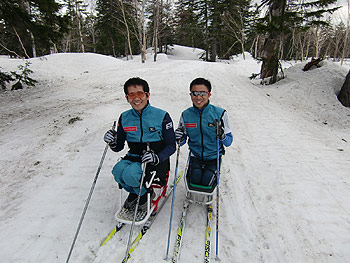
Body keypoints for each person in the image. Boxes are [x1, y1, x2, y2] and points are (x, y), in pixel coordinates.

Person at [104, 77, 176, 221]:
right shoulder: (124, 117)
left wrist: (157, 157)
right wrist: (112, 141)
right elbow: (118, 146)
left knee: (131, 174)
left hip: (156, 159)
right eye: (131, 95)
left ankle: (144, 196)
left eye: (140, 94)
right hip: (134, 155)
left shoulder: (162, 116)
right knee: (118, 171)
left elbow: (171, 145)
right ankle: (137, 192)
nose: (136, 98)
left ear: (147, 95)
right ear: (127, 98)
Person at [175, 78, 233, 191]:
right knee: (195, 180)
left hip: (213, 156)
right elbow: (180, 142)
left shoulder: (220, 114)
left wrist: (222, 136)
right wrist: (179, 137)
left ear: (209, 94)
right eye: (194, 93)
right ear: (190, 94)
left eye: (202, 93)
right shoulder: (186, 115)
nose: (198, 97)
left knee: (207, 182)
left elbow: (229, 142)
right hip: (195, 156)